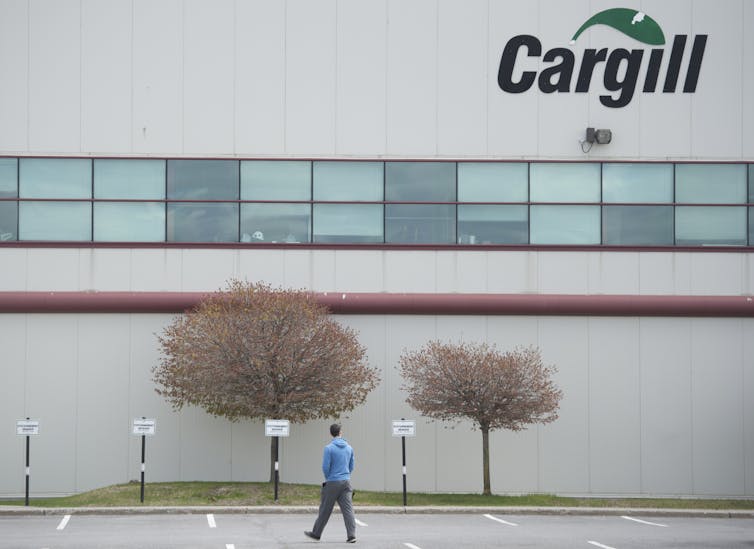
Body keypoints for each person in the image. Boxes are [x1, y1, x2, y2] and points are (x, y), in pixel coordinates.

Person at [305, 423, 357, 543]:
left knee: (325, 509)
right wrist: (346, 475)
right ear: (340, 432)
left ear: (331, 433)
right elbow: (352, 465)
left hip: (332, 482)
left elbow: (325, 467)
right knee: (348, 509)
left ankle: (316, 534)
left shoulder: (329, 448)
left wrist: (329, 477)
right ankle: (351, 535)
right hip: (346, 482)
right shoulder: (349, 448)